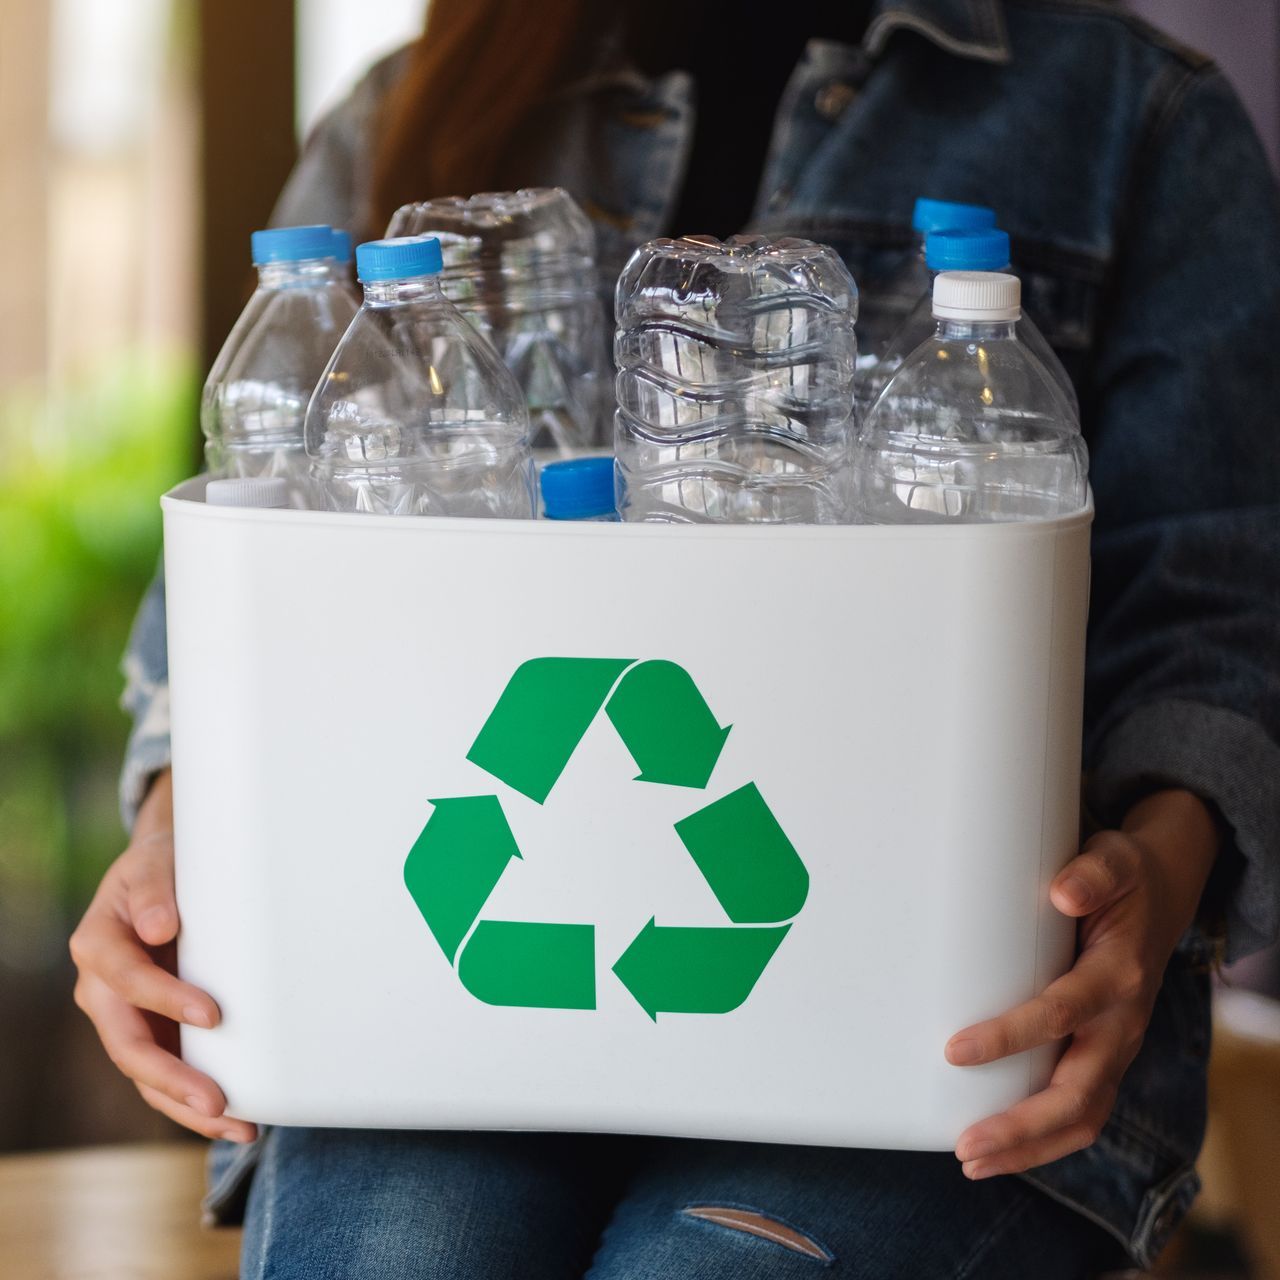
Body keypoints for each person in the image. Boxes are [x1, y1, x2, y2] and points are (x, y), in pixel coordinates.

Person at [70, 1, 1280, 1275]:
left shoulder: (1126, 113)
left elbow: (1219, 607)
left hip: (918, 1039)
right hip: (424, 1024)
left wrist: (1156, 872)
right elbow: (240, 606)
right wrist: (169, 847)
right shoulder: (411, 101)